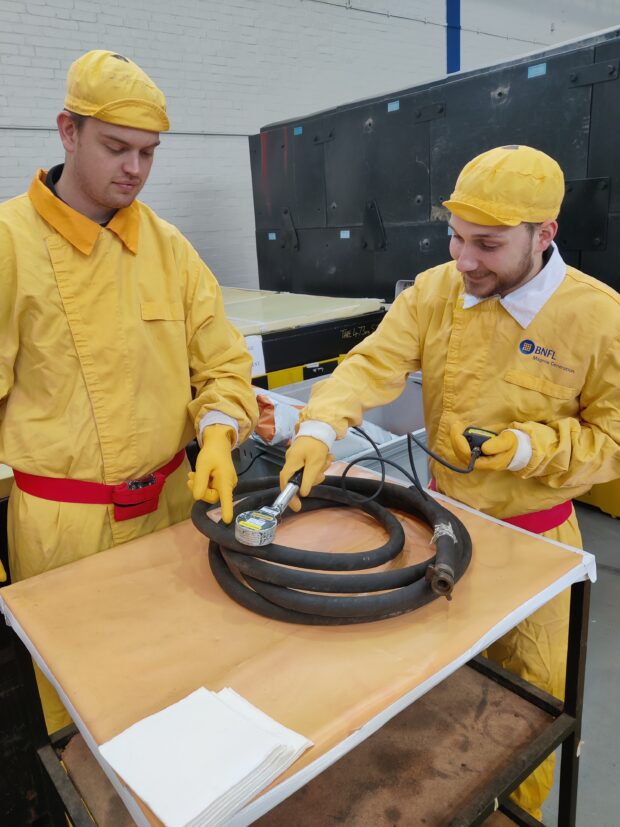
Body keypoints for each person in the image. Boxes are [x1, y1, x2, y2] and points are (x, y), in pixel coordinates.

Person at [280, 144, 620, 819]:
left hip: (538, 546)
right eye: (455, 237)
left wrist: (532, 448)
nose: (463, 260)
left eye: (487, 245)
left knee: (531, 703)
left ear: (544, 234)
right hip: (444, 530)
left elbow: (611, 441)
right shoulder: (438, 290)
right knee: (446, 692)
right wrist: (319, 428)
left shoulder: (598, 317)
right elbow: (374, 362)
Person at [0, 50, 258, 733]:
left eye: (149, 153)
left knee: (185, 687)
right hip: (66, 535)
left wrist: (221, 431)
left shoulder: (170, 249)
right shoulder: (8, 245)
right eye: (117, 147)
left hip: (175, 509)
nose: (134, 170)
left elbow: (224, 363)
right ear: (67, 131)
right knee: (85, 710)